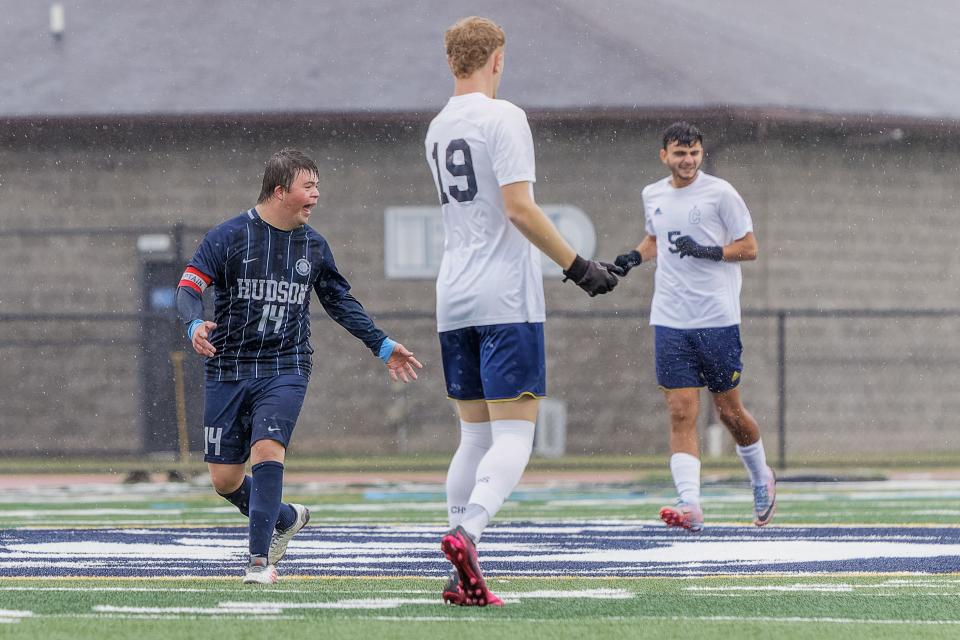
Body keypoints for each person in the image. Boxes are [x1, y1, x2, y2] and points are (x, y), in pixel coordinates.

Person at [425, 16, 619, 607]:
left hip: (452, 294)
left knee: (473, 435)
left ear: (451, 60)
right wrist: (579, 266)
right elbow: (519, 209)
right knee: (514, 434)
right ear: (497, 59)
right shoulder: (503, 116)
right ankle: (468, 532)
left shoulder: (436, 126)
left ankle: (463, 567)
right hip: (504, 296)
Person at [175, 149, 422, 584]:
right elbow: (188, 286)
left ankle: (258, 561)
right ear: (279, 191)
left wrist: (381, 345)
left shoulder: (313, 245)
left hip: (285, 365)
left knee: (267, 449)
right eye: (309, 187)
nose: (316, 196)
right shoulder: (228, 236)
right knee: (225, 480)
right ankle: (285, 517)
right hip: (228, 367)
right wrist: (194, 322)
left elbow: (340, 302)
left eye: (317, 186)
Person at [611, 122, 775, 532]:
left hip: (716, 319)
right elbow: (655, 239)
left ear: (701, 155)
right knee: (680, 410)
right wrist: (633, 257)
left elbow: (750, 247)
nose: (688, 160)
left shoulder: (721, 193)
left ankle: (761, 477)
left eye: (694, 153)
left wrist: (707, 250)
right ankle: (690, 505)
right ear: (664, 155)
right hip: (670, 319)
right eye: (679, 154)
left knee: (729, 413)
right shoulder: (653, 194)